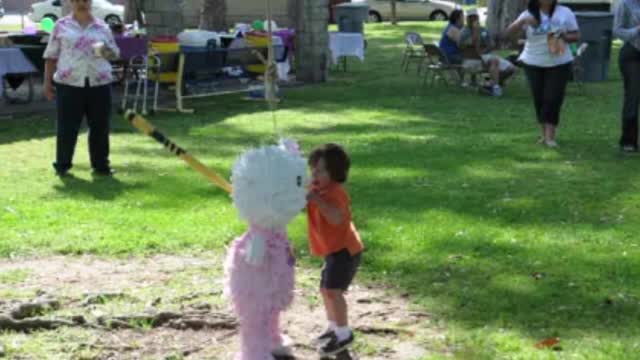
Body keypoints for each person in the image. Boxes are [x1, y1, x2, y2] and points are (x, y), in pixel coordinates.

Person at [43, 0, 120, 177]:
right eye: (77, 0)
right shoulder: (61, 25)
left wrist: (104, 51)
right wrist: (47, 84)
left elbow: (115, 54)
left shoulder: (102, 27)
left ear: (91, 2)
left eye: (85, 0)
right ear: (71, 2)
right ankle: (62, 165)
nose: (82, 3)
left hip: (98, 83)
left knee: (100, 126)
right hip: (69, 83)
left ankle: (101, 166)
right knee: (67, 127)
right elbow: (50, 56)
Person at [307, 144, 364, 357]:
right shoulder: (317, 189)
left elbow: (336, 217)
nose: (314, 173)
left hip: (345, 251)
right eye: (313, 168)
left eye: (320, 170)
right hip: (333, 251)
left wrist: (316, 199)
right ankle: (333, 328)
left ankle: (343, 332)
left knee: (333, 291)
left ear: (335, 173)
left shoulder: (335, 193)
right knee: (325, 290)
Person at [503, 0, 580, 148]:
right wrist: (522, 22)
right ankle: (543, 134)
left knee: (553, 98)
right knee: (539, 98)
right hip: (533, 62)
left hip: (559, 62)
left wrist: (563, 35)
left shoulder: (565, 12)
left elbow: (576, 35)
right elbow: (507, 34)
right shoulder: (527, 14)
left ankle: (550, 137)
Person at [458, 8, 516, 96]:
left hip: (486, 55)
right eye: (471, 17)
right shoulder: (464, 31)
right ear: (467, 19)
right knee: (494, 61)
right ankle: (495, 88)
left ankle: (489, 84)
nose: (473, 19)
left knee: (511, 68)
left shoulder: (483, 30)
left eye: (475, 17)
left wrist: (485, 50)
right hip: (472, 58)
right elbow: (463, 46)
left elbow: (491, 44)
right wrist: (475, 32)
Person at [613, 0, 640, 153]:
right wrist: (637, 29)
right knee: (633, 96)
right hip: (633, 54)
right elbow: (617, 31)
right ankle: (629, 141)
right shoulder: (626, 4)